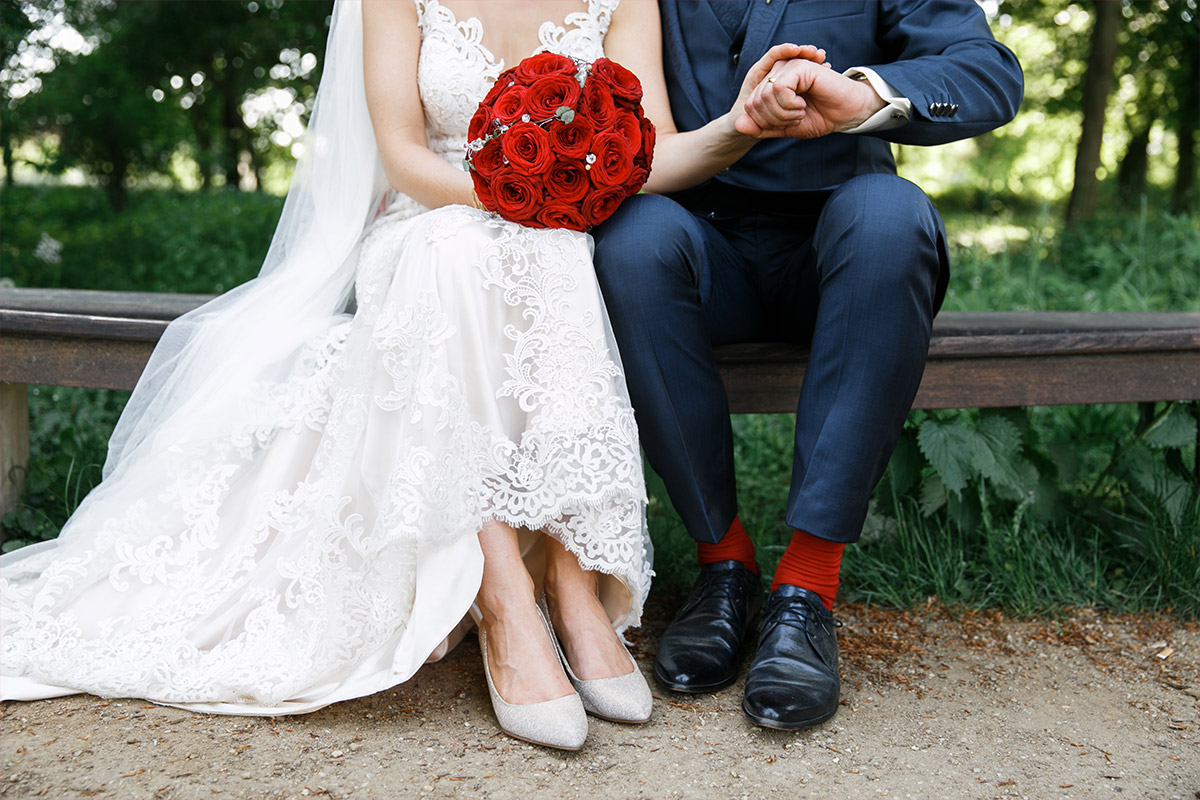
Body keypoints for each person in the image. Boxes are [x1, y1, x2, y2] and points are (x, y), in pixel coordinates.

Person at [0, 0, 825, 751]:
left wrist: (740, 127)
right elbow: (401, 155)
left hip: (553, 234)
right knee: (468, 251)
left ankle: (572, 576)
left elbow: (649, 151)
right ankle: (503, 591)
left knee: (566, 253)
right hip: (429, 221)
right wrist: (517, 199)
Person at [591, 0, 1024, 730]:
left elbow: (988, 73)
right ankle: (722, 564)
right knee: (631, 238)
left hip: (841, 244)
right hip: (697, 241)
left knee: (893, 216)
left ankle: (807, 588)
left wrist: (865, 96)